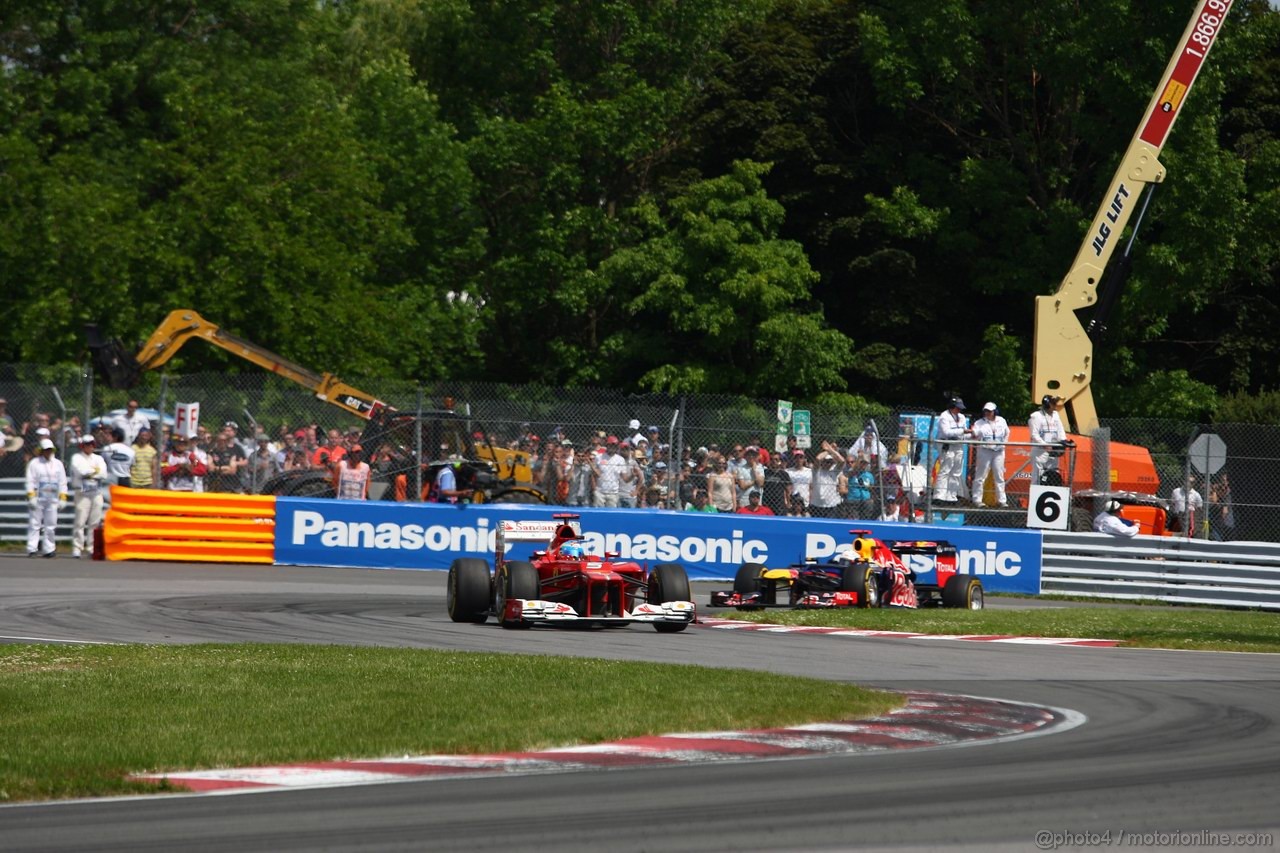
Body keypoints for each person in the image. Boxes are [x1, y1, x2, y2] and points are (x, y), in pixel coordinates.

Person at [25, 438, 67, 557]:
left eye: (50, 450)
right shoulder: (34, 463)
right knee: (34, 523)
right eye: (46, 450)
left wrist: (63, 497)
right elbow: (30, 481)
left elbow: (62, 482)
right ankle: (32, 548)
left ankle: (49, 549)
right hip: (38, 497)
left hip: (52, 498)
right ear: (41, 451)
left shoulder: (58, 464)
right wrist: (31, 495)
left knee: (51, 524)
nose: (48, 452)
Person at [69, 435, 107, 558]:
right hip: (82, 493)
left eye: (91, 444)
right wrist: (94, 471)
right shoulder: (76, 457)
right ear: (82, 445)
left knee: (94, 522)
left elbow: (103, 473)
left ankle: (91, 547)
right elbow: (81, 471)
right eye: (87, 444)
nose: (89, 446)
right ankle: (77, 547)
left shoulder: (98, 458)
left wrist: (91, 473)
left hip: (96, 492)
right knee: (80, 521)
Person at [970, 401, 1010, 507]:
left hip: (999, 451)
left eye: (989, 411)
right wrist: (974, 433)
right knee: (981, 476)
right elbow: (975, 432)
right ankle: (977, 499)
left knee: (999, 476)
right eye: (986, 411)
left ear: (995, 411)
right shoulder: (979, 422)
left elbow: (1007, 432)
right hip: (985, 451)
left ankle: (1002, 501)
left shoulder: (1002, 421)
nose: (987, 413)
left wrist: (1003, 444)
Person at [933, 397, 971, 504]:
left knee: (956, 472)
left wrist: (971, 435)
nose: (959, 410)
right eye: (957, 408)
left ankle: (951, 496)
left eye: (960, 408)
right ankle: (939, 496)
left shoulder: (962, 417)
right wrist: (963, 431)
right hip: (947, 444)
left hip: (958, 445)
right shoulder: (944, 416)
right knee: (945, 470)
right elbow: (946, 432)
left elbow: (964, 434)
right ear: (951, 407)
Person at [1029, 394, 1069, 486]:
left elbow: (1060, 429)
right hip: (1040, 451)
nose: (1055, 405)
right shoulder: (1036, 416)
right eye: (1053, 403)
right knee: (1037, 475)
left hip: (1053, 450)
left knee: (1052, 475)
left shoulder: (1056, 415)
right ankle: (1035, 498)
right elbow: (1034, 434)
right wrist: (1044, 445)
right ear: (1047, 404)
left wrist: (1063, 441)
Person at [591, 436, 633, 507]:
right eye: (611, 445)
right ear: (607, 445)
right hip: (600, 492)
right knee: (598, 515)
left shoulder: (620, 460)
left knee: (611, 516)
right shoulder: (599, 457)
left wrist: (633, 475)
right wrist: (595, 490)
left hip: (613, 493)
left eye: (615, 445)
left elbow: (625, 479)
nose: (613, 447)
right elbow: (593, 475)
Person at [1209, 476, 1236, 542]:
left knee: (1226, 539)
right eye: (1223, 481)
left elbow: (1225, 511)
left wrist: (1222, 519)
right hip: (1217, 522)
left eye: (1226, 481)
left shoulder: (1228, 495)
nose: (1223, 488)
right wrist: (1215, 492)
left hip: (1226, 523)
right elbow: (1213, 500)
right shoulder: (1217, 489)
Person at [787, 451, 812, 516]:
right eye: (796, 457)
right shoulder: (788, 471)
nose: (799, 459)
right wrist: (788, 501)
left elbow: (811, 487)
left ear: (804, 459)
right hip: (793, 500)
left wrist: (810, 500)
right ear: (794, 459)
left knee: (806, 517)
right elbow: (787, 488)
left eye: (801, 457)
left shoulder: (809, 471)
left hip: (806, 501)